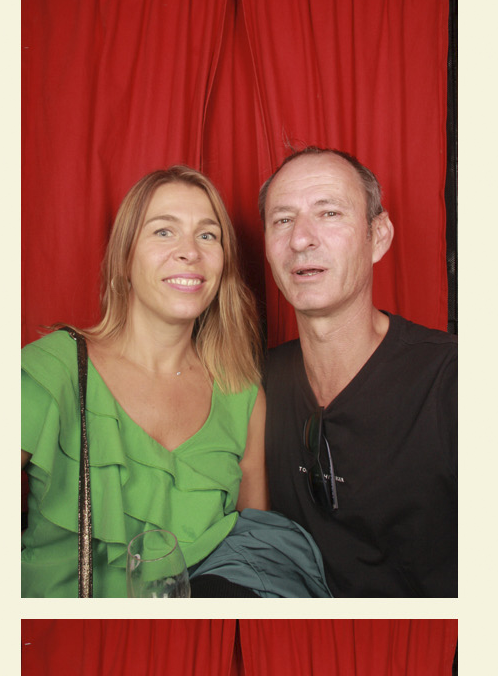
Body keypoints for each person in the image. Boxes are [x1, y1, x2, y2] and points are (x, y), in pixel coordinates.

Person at [22, 165, 329, 599]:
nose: (190, 252)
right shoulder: (53, 370)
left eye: (207, 235)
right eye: (164, 231)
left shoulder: (242, 396)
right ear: (125, 257)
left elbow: (256, 556)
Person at [260, 147, 457, 597]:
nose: (301, 239)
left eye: (329, 213)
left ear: (379, 236)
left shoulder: (454, 380)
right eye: (283, 220)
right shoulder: (253, 384)